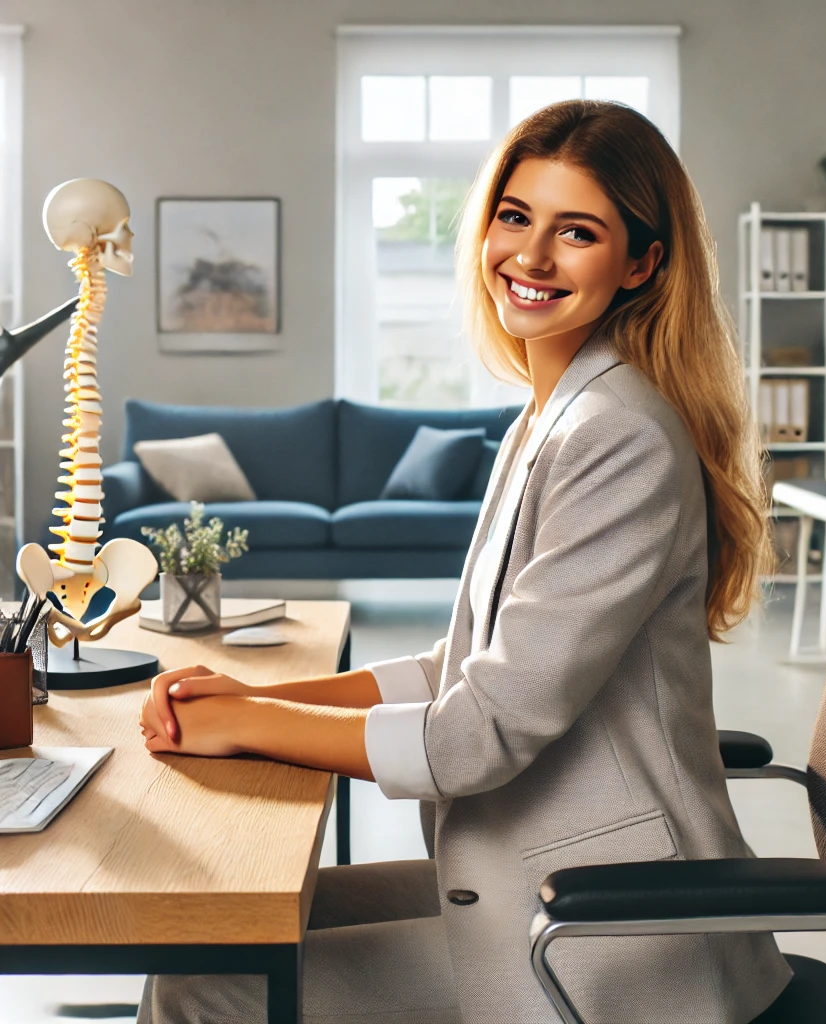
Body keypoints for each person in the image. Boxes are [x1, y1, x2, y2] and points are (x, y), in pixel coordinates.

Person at [137, 99, 792, 1024]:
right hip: (523, 875)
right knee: (211, 936)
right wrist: (248, 698)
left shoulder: (619, 437)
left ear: (642, 263)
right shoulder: (551, 411)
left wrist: (250, 727)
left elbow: (473, 733)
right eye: (516, 217)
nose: (529, 256)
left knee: (209, 985)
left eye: (577, 232)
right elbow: (460, 670)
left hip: (613, 936)